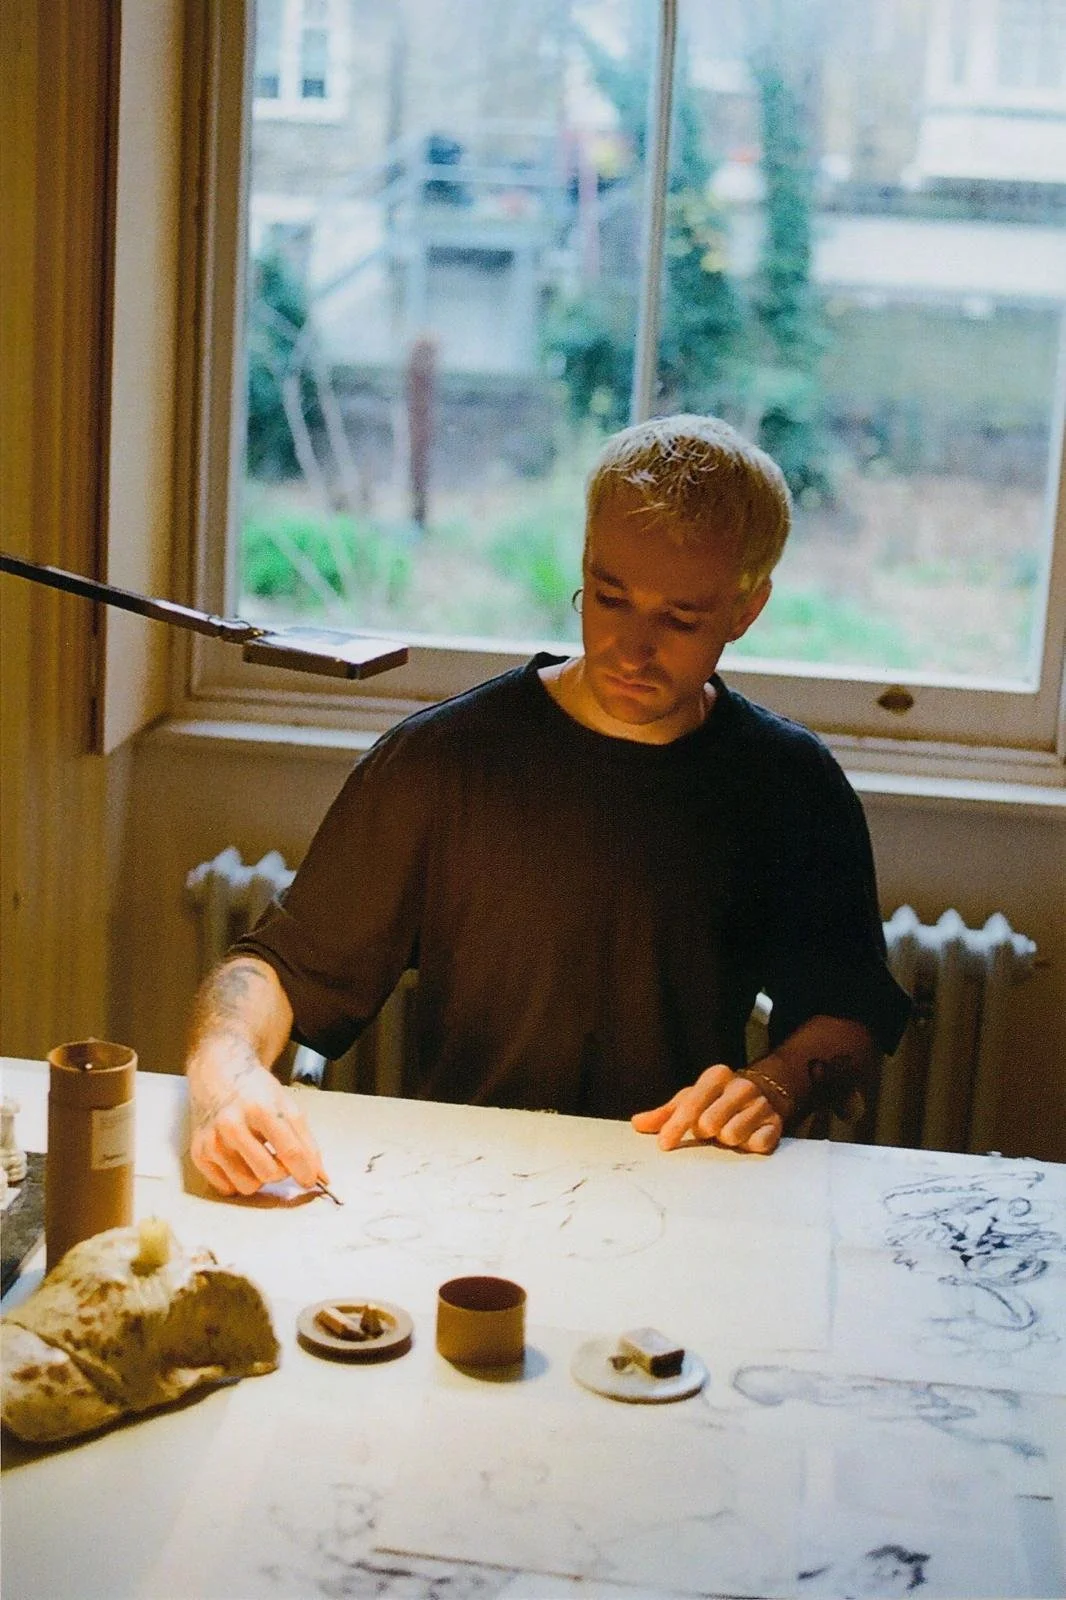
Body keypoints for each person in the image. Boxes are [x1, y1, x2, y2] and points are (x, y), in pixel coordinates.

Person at [185, 414, 911, 1196]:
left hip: (683, 1188)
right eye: (609, 597)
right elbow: (275, 970)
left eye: (678, 619)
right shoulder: (446, 759)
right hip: (464, 1190)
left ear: (746, 609)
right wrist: (228, 1078)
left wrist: (775, 1084)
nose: (630, 650)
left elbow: (851, 1020)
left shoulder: (788, 783)